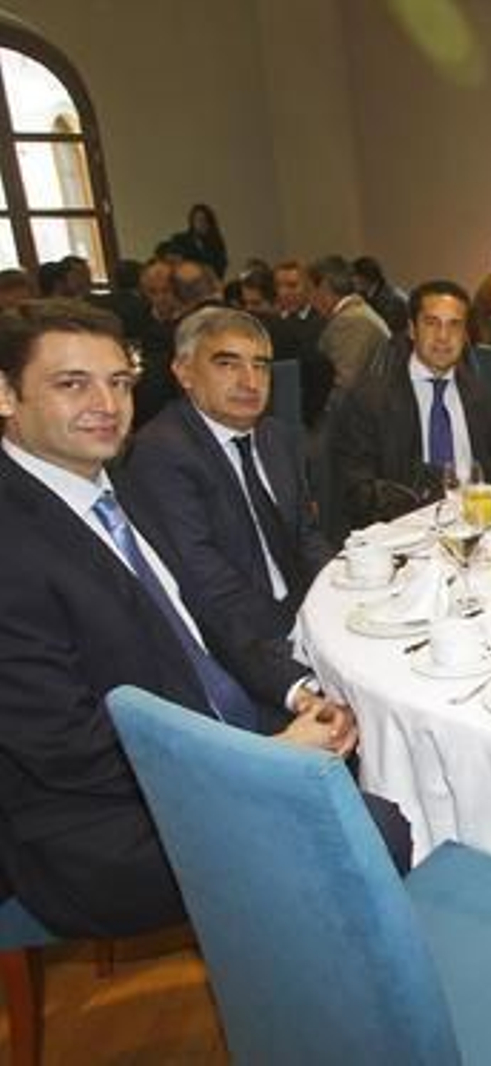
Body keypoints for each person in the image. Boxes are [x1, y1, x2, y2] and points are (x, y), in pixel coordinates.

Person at [0, 299, 409, 939]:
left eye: (118, 382)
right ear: (6, 394)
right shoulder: (14, 543)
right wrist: (263, 758)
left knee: (386, 739)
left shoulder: (115, 485)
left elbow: (207, 613)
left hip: (201, 726)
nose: (106, 404)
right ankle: (322, 996)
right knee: (379, 830)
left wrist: (294, 691)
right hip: (105, 821)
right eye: (72, 384)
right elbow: (68, 751)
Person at [126, 307, 332, 642]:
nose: (250, 382)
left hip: (304, 608)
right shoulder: (160, 453)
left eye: (260, 366)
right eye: (227, 364)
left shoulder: (278, 437)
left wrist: (343, 594)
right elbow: (206, 581)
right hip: (238, 635)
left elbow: (306, 536)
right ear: (184, 372)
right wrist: (295, 638)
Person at [332, 280, 491, 528]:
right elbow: (356, 490)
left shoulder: (480, 395)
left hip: (479, 525)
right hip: (407, 533)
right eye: (432, 323)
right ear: (412, 330)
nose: (443, 336)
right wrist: (426, 503)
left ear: (465, 335)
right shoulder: (370, 399)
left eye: (454, 325)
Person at [309, 254, 391, 392]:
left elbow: (345, 385)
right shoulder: (358, 312)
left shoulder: (349, 321)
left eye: (309, 290)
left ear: (324, 288)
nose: (309, 300)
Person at [167, 203, 228, 279]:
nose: (202, 223)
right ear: (192, 222)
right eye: (198, 220)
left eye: (205, 220)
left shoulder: (216, 244)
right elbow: (173, 260)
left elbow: (220, 268)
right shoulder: (180, 240)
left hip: (208, 282)